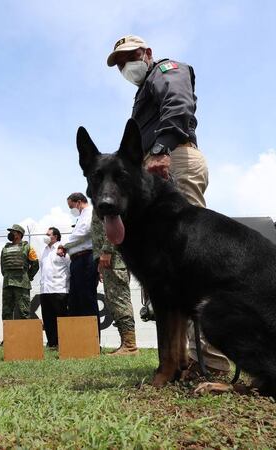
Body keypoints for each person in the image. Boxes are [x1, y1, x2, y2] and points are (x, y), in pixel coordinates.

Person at [107, 34, 230, 374]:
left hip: (171, 160)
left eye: (128, 57)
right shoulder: (142, 90)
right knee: (171, 272)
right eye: (118, 63)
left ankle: (214, 363)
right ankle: (184, 359)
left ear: (146, 52)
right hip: (156, 166)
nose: (124, 66)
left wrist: (160, 149)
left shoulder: (165, 69)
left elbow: (177, 102)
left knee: (193, 262)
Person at [92, 210, 138, 356]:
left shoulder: (108, 196)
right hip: (110, 259)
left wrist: (107, 249)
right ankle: (126, 342)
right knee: (113, 299)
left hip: (114, 257)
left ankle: (130, 346)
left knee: (119, 299)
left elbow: (114, 224)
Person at [57, 193, 99, 327]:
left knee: (87, 298)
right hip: (76, 260)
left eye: (71, 206)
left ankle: (92, 339)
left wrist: (65, 245)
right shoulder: (81, 217)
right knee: (75, 300)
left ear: (79, 202)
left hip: (86, 259)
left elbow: (84, 232)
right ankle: (77, 338)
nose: (71, 210)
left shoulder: (90, 212)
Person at [0, 224, 39, 320]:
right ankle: (8, 335)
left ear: (18, 234)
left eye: (12, 232)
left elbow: (35, 264)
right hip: (7, 284)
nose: (10, 234)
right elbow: (3, 266)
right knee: (6, 313)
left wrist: (27, 277)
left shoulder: (28, 247)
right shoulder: (5, 248)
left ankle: (26, 335)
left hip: (22, 284)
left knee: (24, 312)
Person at [39, 227, 69, 348]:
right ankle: (52, 343)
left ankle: (63, 343)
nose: (46, 236)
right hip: (45, 290)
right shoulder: (44, 250)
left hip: (59, 288)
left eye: (48, 234)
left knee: (60, 317)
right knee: (48, 319)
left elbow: (69, 267)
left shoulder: (62, 249)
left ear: (55, 236)